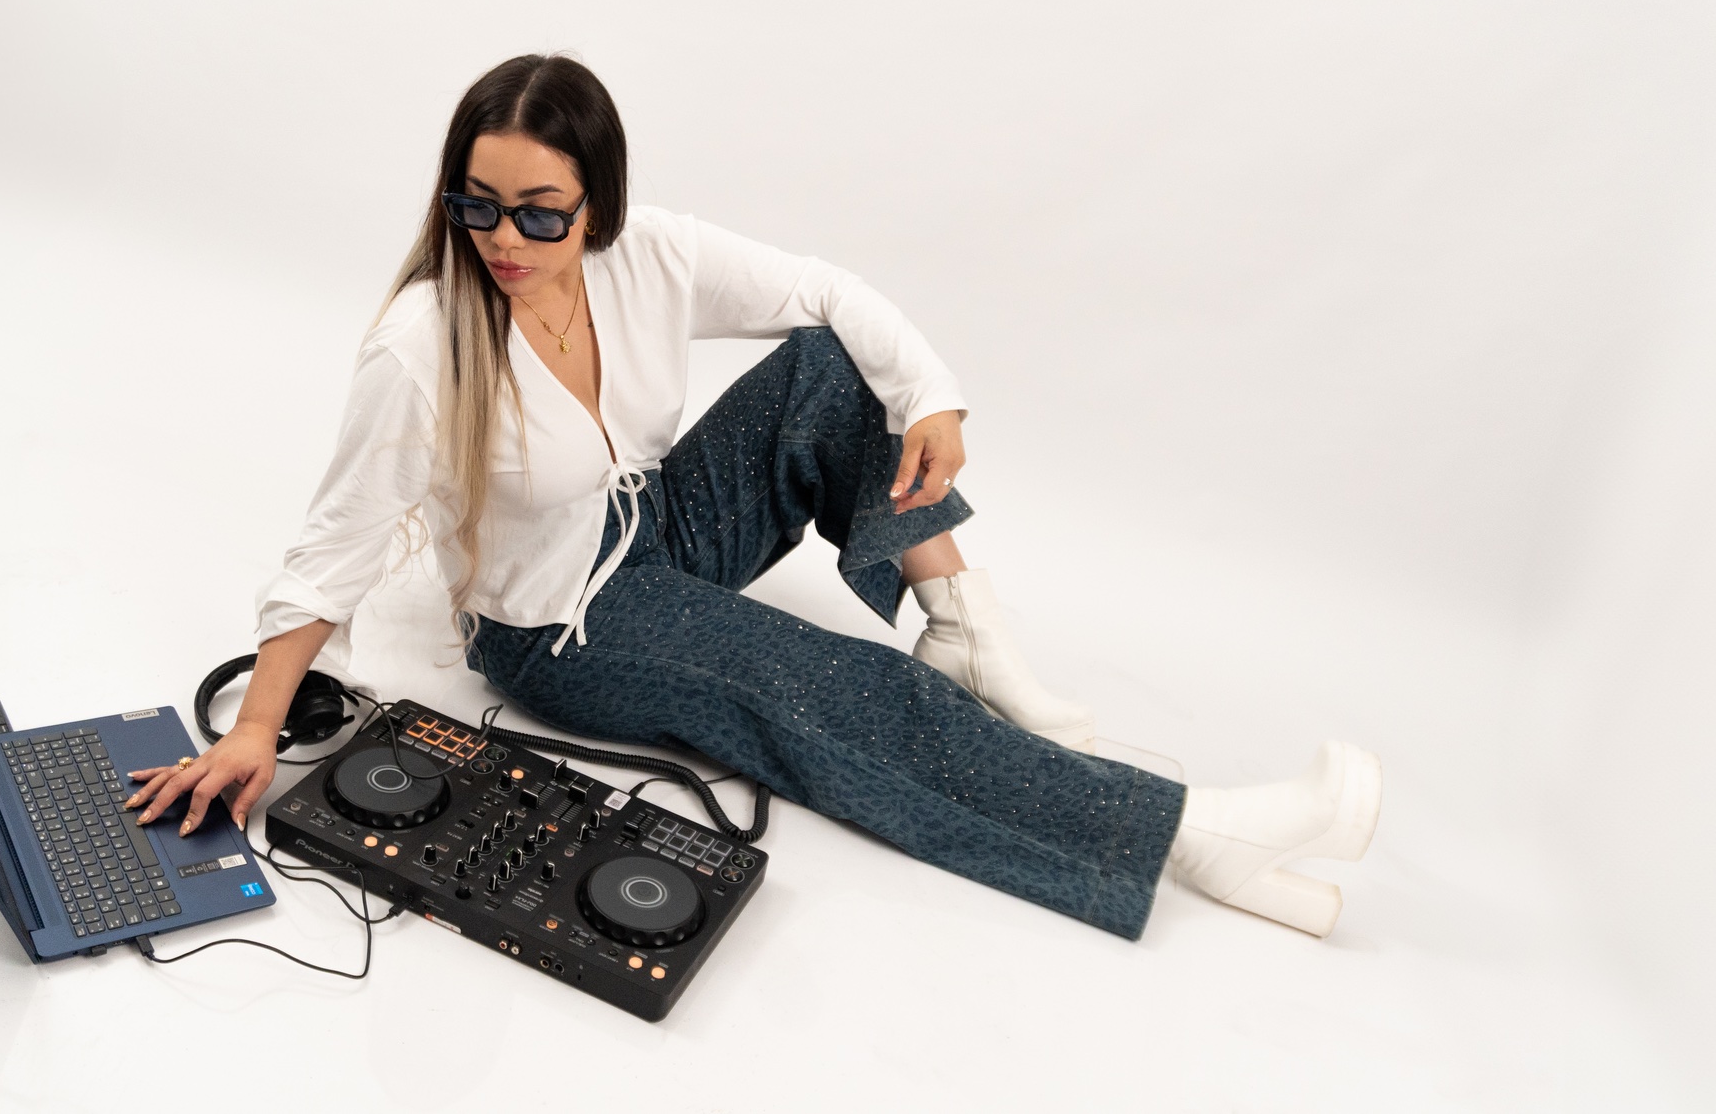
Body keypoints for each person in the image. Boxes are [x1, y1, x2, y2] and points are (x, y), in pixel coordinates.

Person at [125, 54, 1381, 940]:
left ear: (597, 205)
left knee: (835, 369)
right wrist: (255, 730)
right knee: (842, 688)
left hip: (660, 524)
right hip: (562, 622)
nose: (502, 240)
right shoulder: (425, 343)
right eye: (476, 206)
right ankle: (1187, 835)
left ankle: (964, 632)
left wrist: (931, 399)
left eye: (539, 215)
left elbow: (828, 295)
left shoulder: (648, 255)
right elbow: (332, 546)